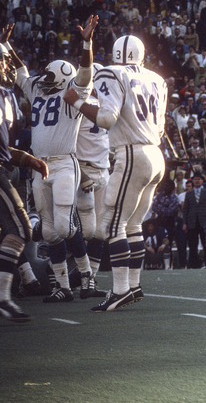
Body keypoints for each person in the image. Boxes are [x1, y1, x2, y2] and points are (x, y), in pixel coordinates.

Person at [64, 34, 168, 310]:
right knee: (133, 224)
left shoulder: (112, 72)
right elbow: (160, 129)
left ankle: (121, 290)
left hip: (132, 153)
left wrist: (76, 102)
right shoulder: (157, 78)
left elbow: (107, 119)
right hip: (156, 155)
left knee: (112, 225)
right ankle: (133, 286)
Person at [11, 15, 98, 303]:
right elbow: (20, 72)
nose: (45, 80)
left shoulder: (72, 93)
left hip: (63, 163)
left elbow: (85, 72)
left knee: (63, 225)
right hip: (40, 165)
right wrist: (5, 47)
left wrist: (87, 42)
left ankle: (87, 277)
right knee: (48, 231)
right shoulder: (37, 87)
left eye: (51, 77)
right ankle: (63, 286)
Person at [0, 32, 49, 322]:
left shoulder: (6, 96)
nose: (6, 68)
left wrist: (27, 159)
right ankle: (3, 298)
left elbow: (5, 149)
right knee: (20, 228)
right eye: (3, 63)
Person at [75, 61, 110, 297]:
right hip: (83, 170)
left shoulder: (105, 105)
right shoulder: (78, 106)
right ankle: (64, 273)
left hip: (103, 169)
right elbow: (66, 142)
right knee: (82, 230)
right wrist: (79, 170)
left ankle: (91, 280)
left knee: (101, 232)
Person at [182, 172, 206, 268]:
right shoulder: (189, 194)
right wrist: (184, 223)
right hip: (192, 222)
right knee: (193, 245)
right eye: (195, 179)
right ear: (193, 181)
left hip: (204, 222)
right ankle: (194, 264)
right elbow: (185, 210)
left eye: (199, 179)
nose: (197, 181)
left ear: (202, 181)